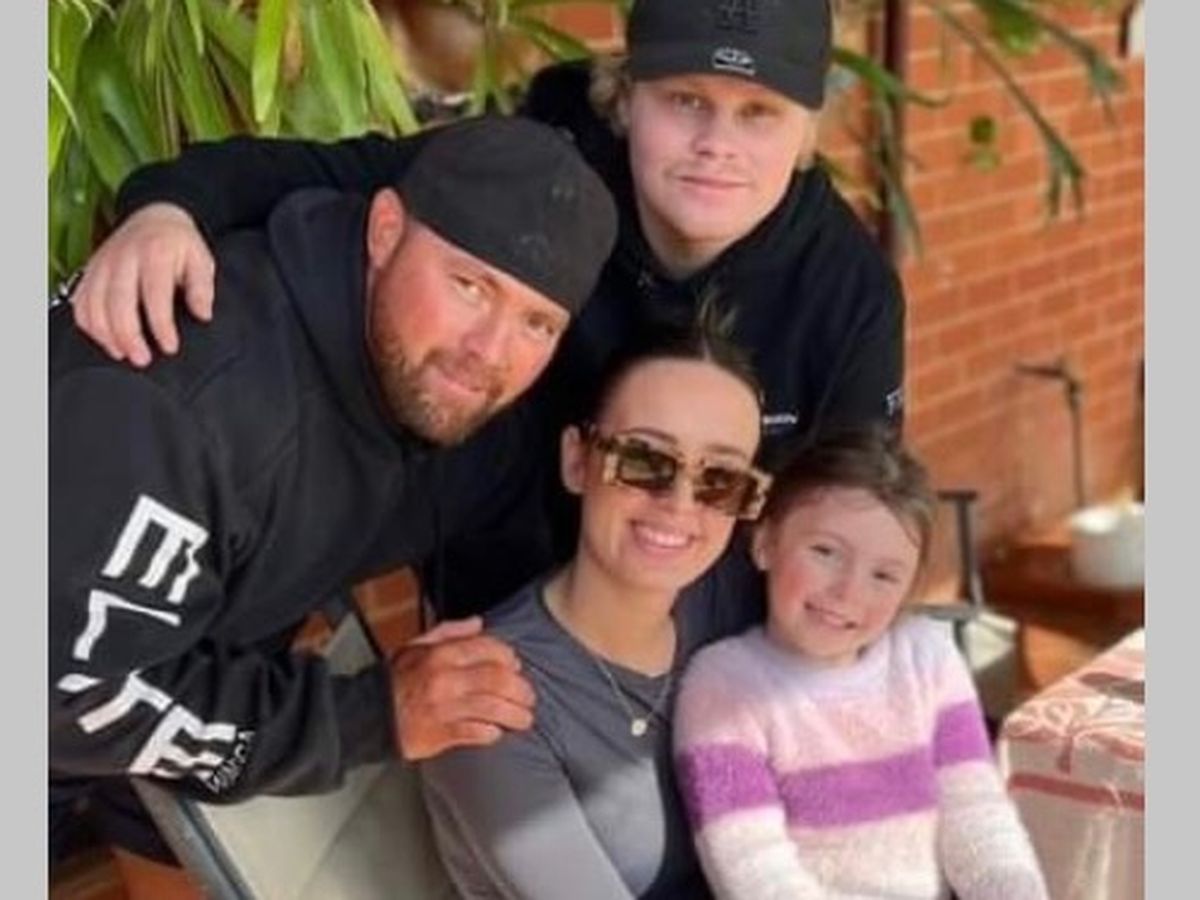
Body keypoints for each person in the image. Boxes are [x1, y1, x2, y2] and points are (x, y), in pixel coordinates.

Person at [64, 0, 905, 615]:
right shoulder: (546, 162)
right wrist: (168, 208)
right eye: (686, 100)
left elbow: (846, 511)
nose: (717, 145)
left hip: (704, 626)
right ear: (626, 98)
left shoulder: (847, 291)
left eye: (759, 115)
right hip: (492, 597)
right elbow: (329, 174)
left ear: (806, 134)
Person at [50, 115, 618, 893]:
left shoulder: (460, 409)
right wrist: (372, 715)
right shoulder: (187, 402)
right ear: (384, 230)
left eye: (536, 322)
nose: (489, 351)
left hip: (131, 705)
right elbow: (63, 691)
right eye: (468, 285)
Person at [418, 315, 771, 899]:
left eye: (722, 479)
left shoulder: (721, 599)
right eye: (645, 459)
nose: (680, 502)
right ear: (577, 461)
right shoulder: (490, 698)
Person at [673, 427, 1048, 899]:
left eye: (884, 575)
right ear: (765, 542)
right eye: (825, 552)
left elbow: (976, 813)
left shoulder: (927, 657)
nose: (848, 592)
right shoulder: (724, 687)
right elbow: (756, 872)